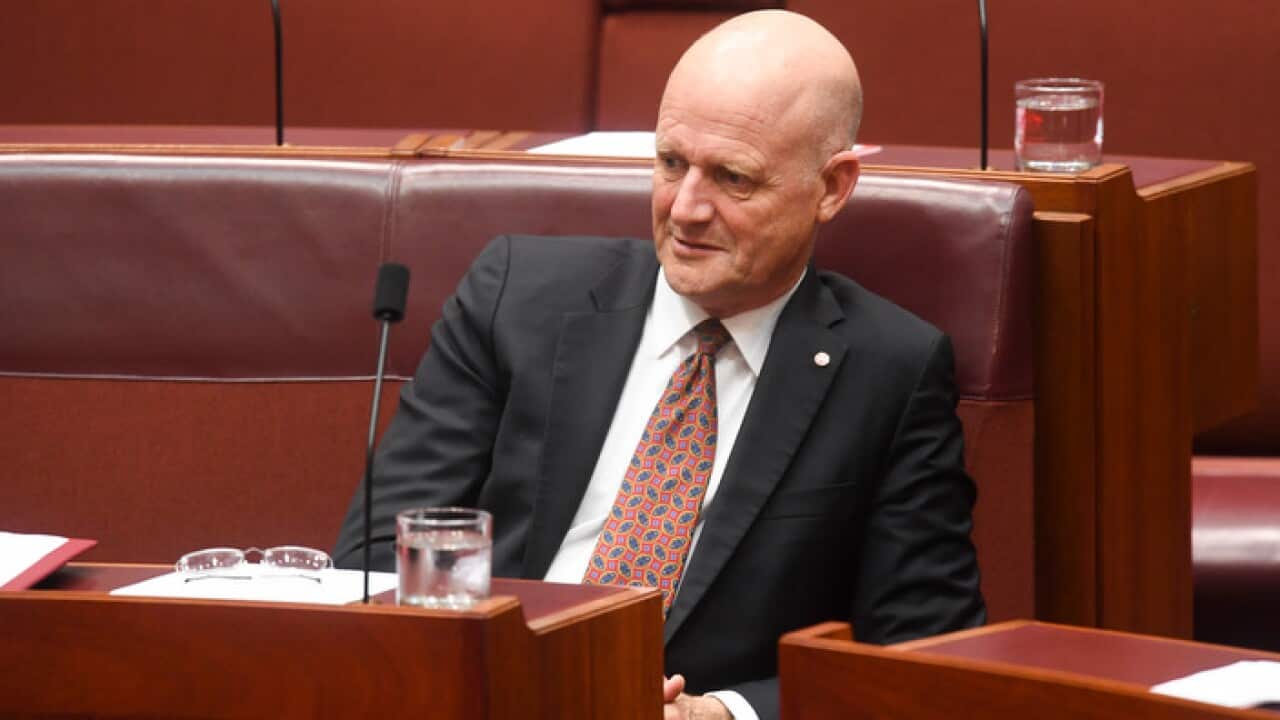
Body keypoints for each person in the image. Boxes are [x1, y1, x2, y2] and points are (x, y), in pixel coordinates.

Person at [335, 10, 984, 719]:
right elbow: (377, 557)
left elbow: (924, 657)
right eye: (671, 163)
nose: (685, 209)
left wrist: (730, 714)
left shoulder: (890, 371)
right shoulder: (516, 294)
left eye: (733, 178)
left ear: (831, 187)